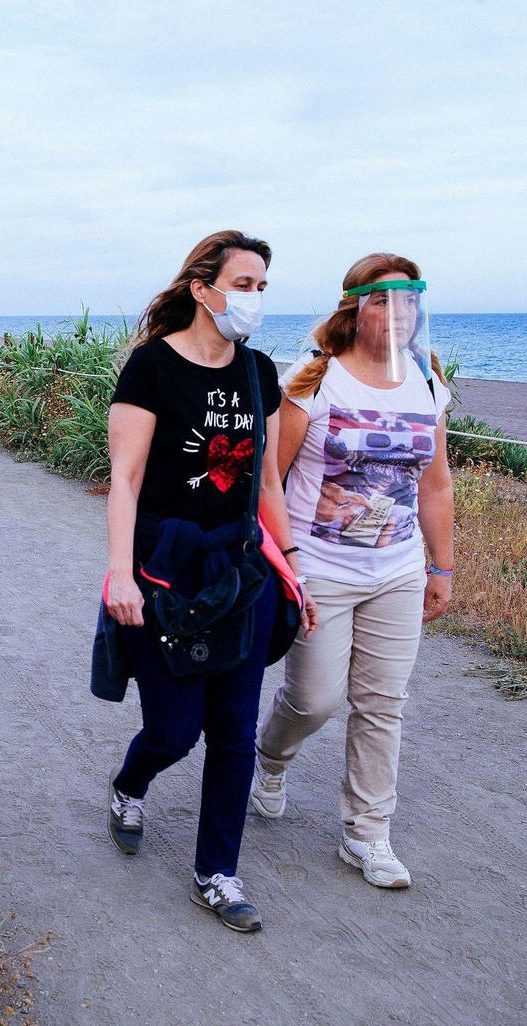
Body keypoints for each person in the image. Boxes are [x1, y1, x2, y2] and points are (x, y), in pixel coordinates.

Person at [100, 231, 316, 933]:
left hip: (241, 572)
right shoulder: (152, 367)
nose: (254, 298)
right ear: (202, 289)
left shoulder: (259, 372)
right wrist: (121, 574)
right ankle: (130, 783)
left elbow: (268, 484)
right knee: (174, 729)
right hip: (165, 569)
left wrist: (293, 569)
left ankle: (217, 872)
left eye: (262, 287)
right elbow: (126, 480)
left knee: (232, 732)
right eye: (243, 284)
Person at [250, 253, 454, 890]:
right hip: (321, 569)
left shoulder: (426, 381)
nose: (399, 313)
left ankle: (368, 833)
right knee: (314, 700)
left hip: (398, 570)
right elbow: (270, 479)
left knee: (383, 704)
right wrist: (284, 562)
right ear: (354, 309)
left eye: (409, 300)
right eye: (382, 301)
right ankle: (271, 756)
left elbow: (436, 485)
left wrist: (442, 565)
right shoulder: (314, 381)